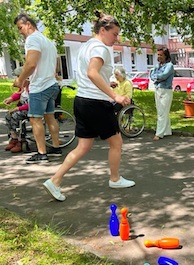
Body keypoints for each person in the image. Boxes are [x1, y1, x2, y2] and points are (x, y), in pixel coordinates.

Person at [42, 11, 135, 202]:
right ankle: (115, 179)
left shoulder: (86, 47)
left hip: (82, 101)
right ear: (103, 30)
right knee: (116, 143)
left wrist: (106, 85)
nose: (116, 39)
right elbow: (93, 73)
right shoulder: (100, 48)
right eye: (115, 34)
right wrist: (115, 95)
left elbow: (89, 75)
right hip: (96, 104)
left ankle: (55, 180)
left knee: (83, 147)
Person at [13, 13, 61, 163]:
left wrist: (20, 80)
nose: (20, 31)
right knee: (50, 117)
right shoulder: (48, 41)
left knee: (35, 119)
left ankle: (42, 153)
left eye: (20, 27)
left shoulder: (32, 39)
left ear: (28, 24)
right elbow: (56, 65)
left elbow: (31, 64)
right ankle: (56, 148)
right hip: (51, 84)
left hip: (39, 87)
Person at [150, 47, 174, 141]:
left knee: (162, 113)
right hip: (158, 89)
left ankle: (159, 133)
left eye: (161, 55)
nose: (159, 56)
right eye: (158, 54)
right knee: (162, 111)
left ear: (166, 56)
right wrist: (157, 77)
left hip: (166, 90)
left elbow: (164, 76)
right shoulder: (157, 66)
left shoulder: (169, 66)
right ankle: (167, 131)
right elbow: (151, 75)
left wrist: (156, 77)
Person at [4, 67, 29, 153]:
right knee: (8, 115)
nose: (17, 79)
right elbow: (18, 94)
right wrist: (10, 98)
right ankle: (14, 138)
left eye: (19, 76)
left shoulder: (32, 87)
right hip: (23, 109)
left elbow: (32, 104)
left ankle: (20, 140)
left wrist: (17, 108)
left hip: (30, 109)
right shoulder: (24, 87)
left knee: (15, 115)